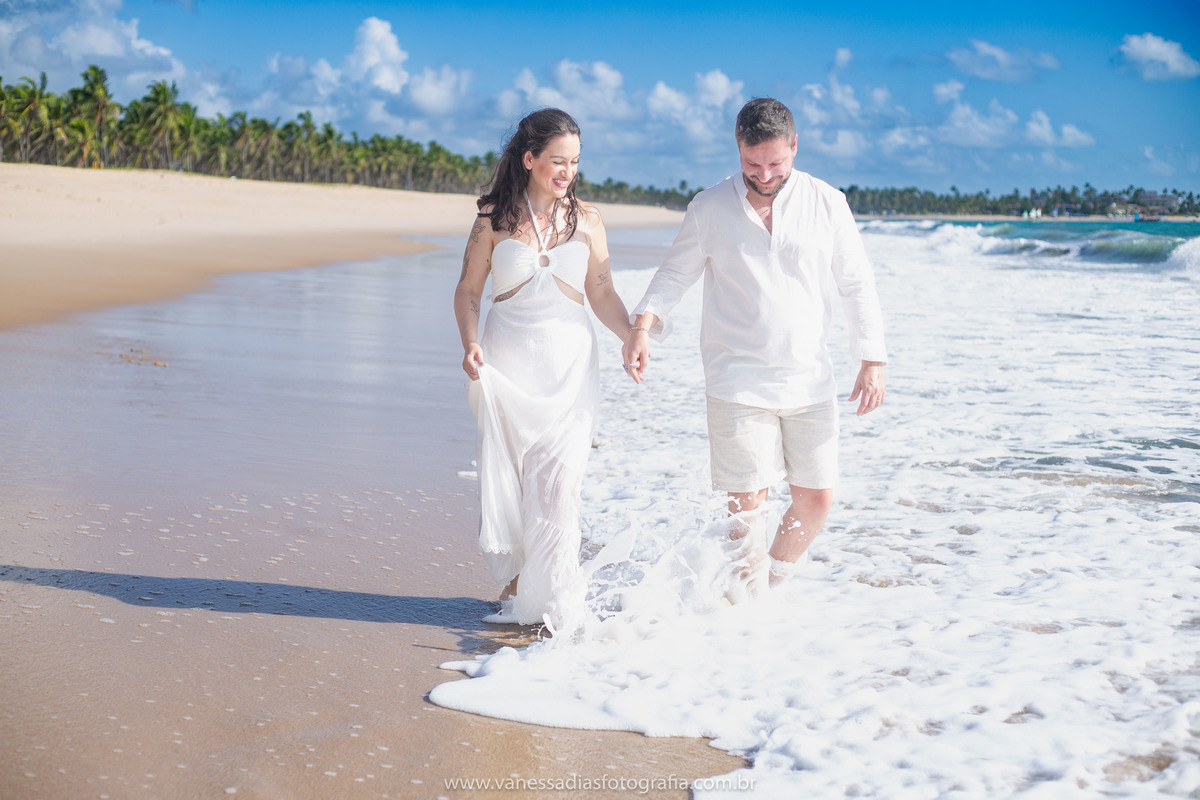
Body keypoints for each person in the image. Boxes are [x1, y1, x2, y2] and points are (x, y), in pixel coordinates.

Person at [621, 97, 887, 594]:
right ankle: (746, 608)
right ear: (737, 149)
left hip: (810, 377)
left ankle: (769, 585)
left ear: (794, 146)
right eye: (751, 163)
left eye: (776, 163)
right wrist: (642, 325)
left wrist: (871, 358)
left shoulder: (828, 202)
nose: (764, 175)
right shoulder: (709, 206)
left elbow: (856, 283)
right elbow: (675, 272)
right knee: (748, 509)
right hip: (735, 378)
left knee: (817, 500)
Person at [453, 108, 633, 629]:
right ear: (529, 159)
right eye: (558, 161)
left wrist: (629, 337)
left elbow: (601, 291)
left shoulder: (589, 220)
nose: (567, 172)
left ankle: (554, 608)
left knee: (557, 487)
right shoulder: (492, 219)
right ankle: (519, 589)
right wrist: (469, 344)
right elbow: (467, 291)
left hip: (571, 367)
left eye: (575, 162)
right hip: (506, 364)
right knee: (512, 481)